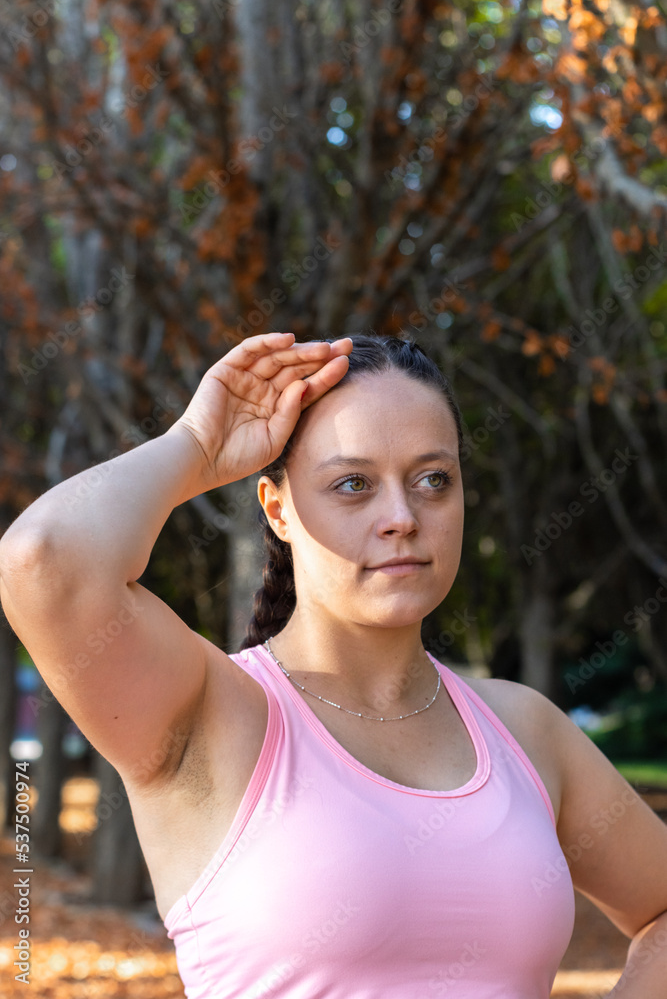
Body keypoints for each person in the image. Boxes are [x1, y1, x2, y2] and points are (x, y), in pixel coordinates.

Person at [1, 330, 666, 999]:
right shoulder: (211, 713)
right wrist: (198, 446)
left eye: (433, 479)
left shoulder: (523, 729)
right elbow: (44, 560)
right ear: (277, 509)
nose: (402, 517)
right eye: (353, 484)